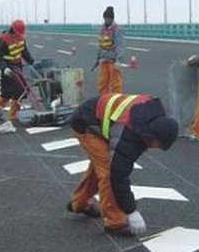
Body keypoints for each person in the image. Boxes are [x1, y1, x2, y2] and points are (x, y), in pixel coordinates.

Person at [67, 93, 179, 236]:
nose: (154, 148)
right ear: (151, 136)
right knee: (108, 173)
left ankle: (79, 203)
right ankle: (115, 223)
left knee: (100, 167)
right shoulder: (128, 133)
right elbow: (117, 175)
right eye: (157, 145)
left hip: (98, 117)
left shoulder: (149, 120)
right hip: (86, 124)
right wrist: (131, 211)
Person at [0, 19, 35, 120]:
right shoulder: (4, 39)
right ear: (12, 30)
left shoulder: (21, 38)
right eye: (17, 33)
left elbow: (24, 51)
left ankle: (12, 114)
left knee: (21, 90)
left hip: (18, 66)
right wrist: (4, 68)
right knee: (8, 94)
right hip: (8, 68)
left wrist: (31, 61)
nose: (18, 35)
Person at [95, 6, 124, 94]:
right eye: (105, 18)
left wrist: (118, 61)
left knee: (115, 83)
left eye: (108, 18)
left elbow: (119, 45)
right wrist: (98, 58)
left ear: (112, 19)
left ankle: (116, 99)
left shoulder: (117, 29)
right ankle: (104, 99)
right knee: (102, 82)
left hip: (113, 60)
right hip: (104, 59)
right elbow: (100, 44)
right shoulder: (102, 29)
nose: (106, 20)